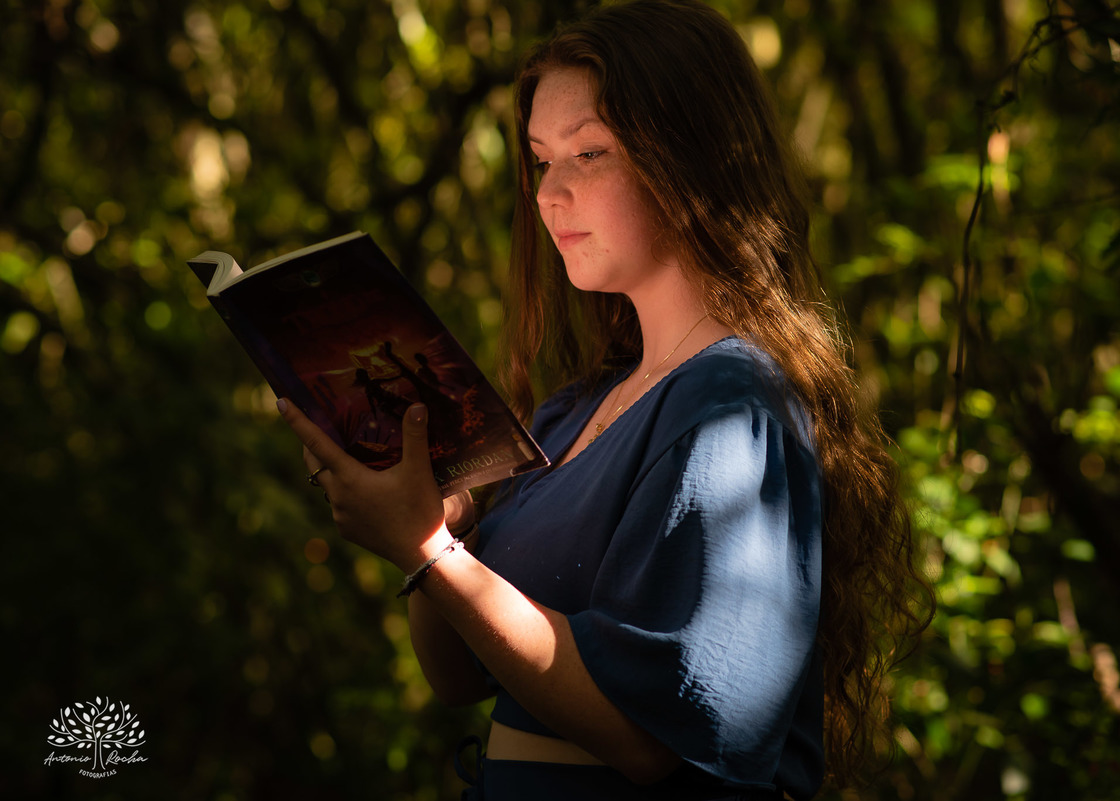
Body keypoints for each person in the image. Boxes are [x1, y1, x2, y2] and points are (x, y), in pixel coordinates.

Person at [278, 1, 933, 798]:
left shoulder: (735, 404)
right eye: (541, 158)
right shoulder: (570, 413)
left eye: (592, 152)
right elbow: (459, 677)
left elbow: (647, 740)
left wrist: (428, 551)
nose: (552, 194)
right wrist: (441, 526)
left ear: (692, 160)